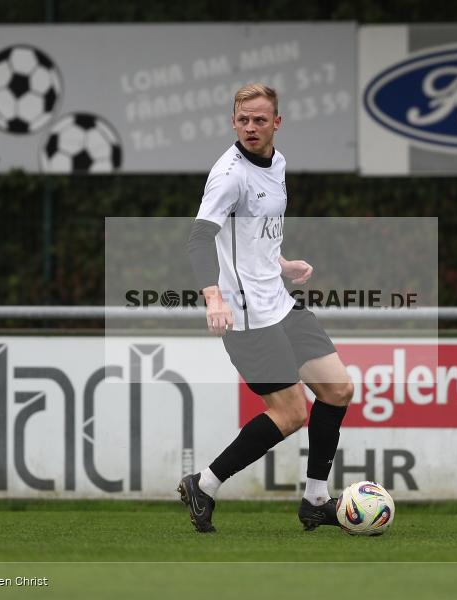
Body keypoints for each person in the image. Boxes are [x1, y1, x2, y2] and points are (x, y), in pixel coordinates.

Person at [178, 83, 354, 533]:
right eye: (243, 119)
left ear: (277, 123)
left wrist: (282, 262)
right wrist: (213, 297)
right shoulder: (229, 175)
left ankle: (316, 501)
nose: (251, 127)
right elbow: (200, 238)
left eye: (260, 119)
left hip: (277, 301)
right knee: (293, 412)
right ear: (232, 122)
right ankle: (205, 483)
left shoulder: (276, 163)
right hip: (245, 314)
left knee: (337, 390)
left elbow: (252, 234)